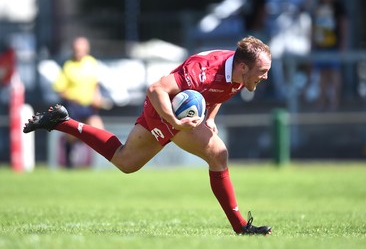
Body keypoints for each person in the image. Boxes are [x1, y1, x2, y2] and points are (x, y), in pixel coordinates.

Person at [23, 36, 272, 235]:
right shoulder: (204, 70)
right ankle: (241, 227)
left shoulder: (240, 73)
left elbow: (219, 92)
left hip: (176, 112)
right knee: (219, 154)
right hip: (164, 109)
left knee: (125, 161)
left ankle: (62, 122)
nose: (265, 76)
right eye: (262, 71)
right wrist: (174, 121)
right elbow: (156, 89)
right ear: (242, 66)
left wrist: (210, 118)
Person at [52, 36, 109, 168]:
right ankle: (69, 162)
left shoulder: (91, 63)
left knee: (99, 129)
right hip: (73, 106)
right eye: (77, 49)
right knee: (73, 136)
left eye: (82, 49)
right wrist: (73, 97)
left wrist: (97, 96)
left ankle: (104, 163)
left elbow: (96, 84)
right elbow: (60, 89)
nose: (79, 51)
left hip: (89, 107)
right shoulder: (68, 66)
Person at [311, 0, 347, 110]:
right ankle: (322, 100)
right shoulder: (317, 5)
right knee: (322, 75)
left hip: (334, 47)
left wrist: (343, 44)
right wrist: (312, 45)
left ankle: (335, 102)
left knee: (334, 74)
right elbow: (313, 27)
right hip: (321, 47)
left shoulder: (339, 6)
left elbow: (344, 25)